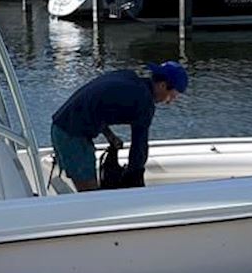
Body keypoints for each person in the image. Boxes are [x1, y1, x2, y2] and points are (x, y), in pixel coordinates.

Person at [49, 60, 187, 192]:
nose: (170, 101)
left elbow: (96, 105)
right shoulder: (144, 102)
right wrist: (134, 177)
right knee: (90, 197)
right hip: (71, 135)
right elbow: (139, 146)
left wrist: (111, 137)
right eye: (173, 95)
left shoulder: (128, 78)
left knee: (92, 191)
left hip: (62, 126)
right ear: (163, 85)